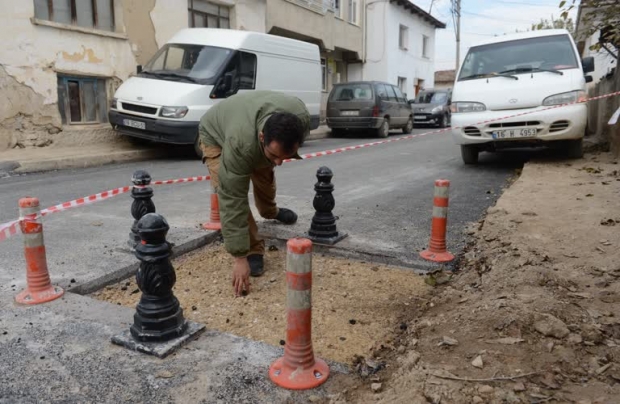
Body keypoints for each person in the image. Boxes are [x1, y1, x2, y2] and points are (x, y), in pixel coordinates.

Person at [198, 90, 309, 297]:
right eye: (274, 155)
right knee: (228, 185)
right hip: (216, 135)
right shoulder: (241, 144)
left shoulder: (300, 118)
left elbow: (274, 155)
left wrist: (273, 156)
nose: (279, 162)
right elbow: (233, 199)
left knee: (265, 176)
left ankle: (270, 211)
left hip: (248, 127)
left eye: (285, 156)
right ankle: (253, 248)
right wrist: (239, 257)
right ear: (262, 137)